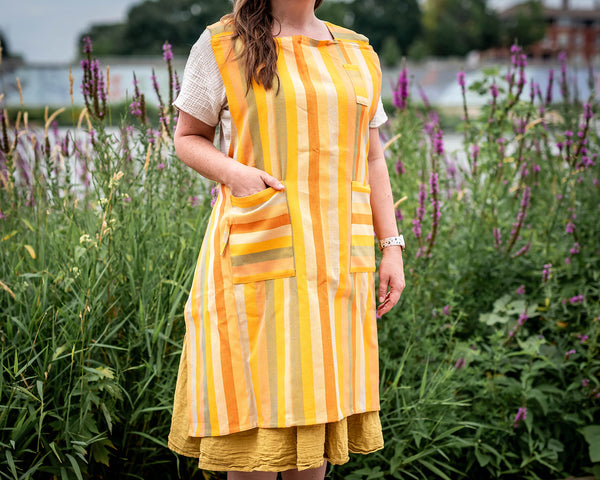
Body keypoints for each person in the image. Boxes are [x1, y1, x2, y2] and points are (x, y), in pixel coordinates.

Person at [168, 0, 406, 478]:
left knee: (316, 421)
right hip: (257, 265)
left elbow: (373, 157)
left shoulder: (358, 52)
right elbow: (187, 137)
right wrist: (234, 173)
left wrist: (392, 247)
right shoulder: (223, 43)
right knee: (255, 429)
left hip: (337, 268)